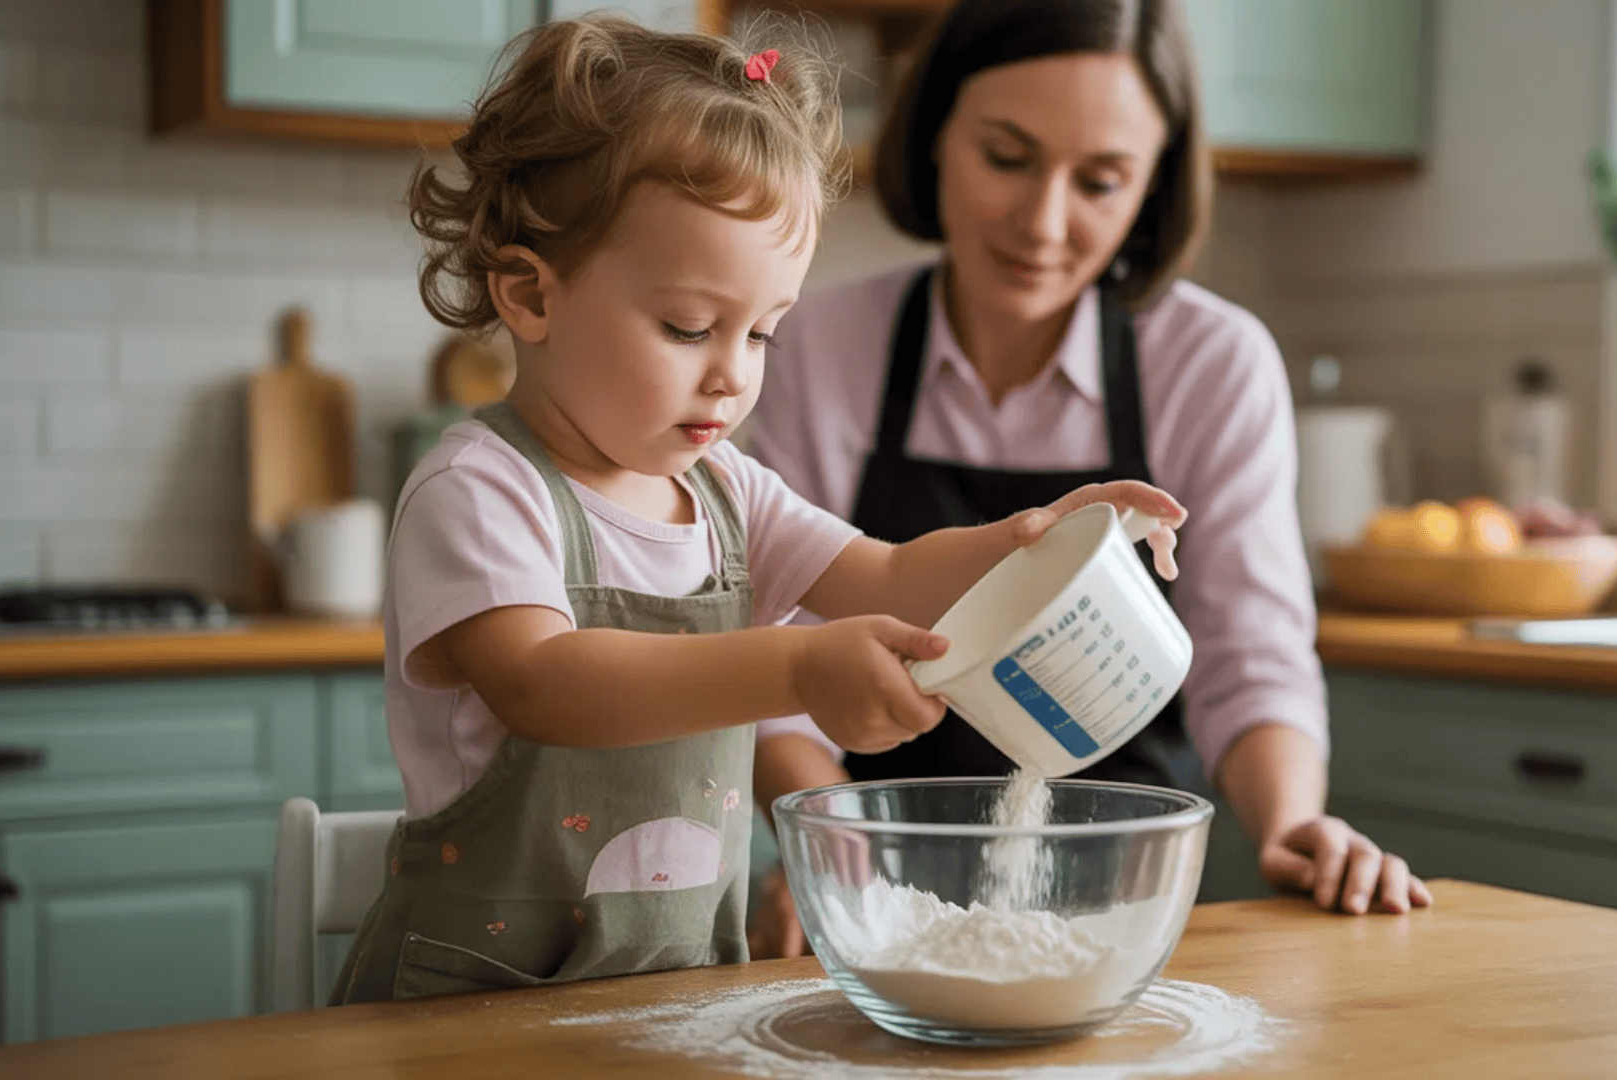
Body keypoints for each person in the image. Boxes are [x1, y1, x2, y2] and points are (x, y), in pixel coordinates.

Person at [331, 13, 1186, 1005]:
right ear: (530, 295)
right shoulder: (481, 492)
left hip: (672, 997)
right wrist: (794, 665)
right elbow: (546, 685)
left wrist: (1040, 539)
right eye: (690, 327)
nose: (732, 377)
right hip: (471, 1013)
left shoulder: (729, 492)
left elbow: (889, 572)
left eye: (764, 333)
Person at [747, 0, 1432, 958]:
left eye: (1102, 181)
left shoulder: (1211, 362)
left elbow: (1252, 649)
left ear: (1152, 187)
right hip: (877, 902)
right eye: (1007, 157)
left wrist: (1287, 827)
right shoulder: (820, 347)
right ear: (937, 129)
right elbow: (774, 646)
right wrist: (826, 853)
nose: (1044, 221)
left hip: (1126, 916)